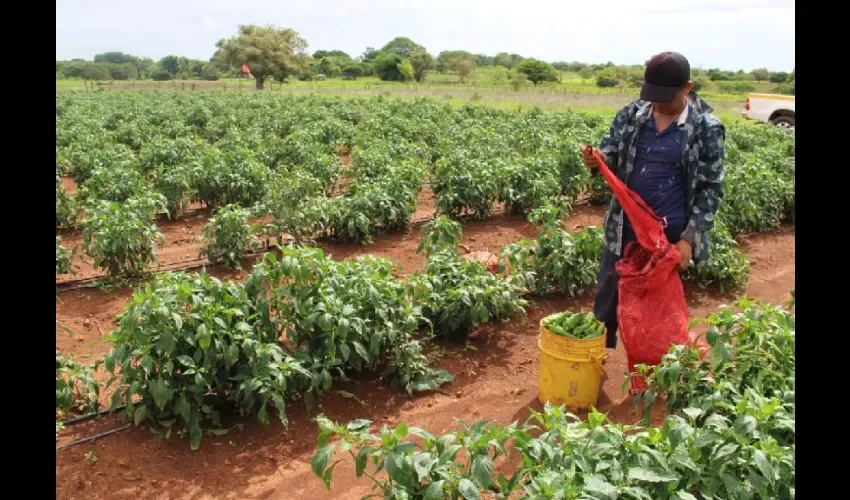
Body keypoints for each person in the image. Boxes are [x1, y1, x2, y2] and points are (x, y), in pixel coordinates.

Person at [580, 51, 726, 351]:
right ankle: (596, 358)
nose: (657, 103)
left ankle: (656, 371)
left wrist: (689, 240)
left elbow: (710, 189)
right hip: (624, 226)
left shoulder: (706, 128)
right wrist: (599, 160)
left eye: (665, 96)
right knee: (607, 296)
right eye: (652, 95)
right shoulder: (632, 115)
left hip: (667, 237)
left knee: (658, 309)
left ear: (687, 88)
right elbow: (613, 152)